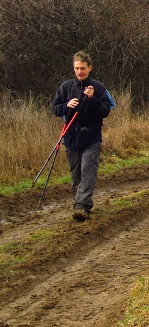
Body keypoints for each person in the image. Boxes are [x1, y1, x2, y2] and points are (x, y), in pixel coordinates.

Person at [51, 51, 112, 221]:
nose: (80, 71)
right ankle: (79, 203)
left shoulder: (98, 87)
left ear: (90, 68)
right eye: (77, 68)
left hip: (92, 137)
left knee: (88, 170)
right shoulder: (65, 87)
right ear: (73, 68)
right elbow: (55, 108)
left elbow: (105, 111)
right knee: (76, 174)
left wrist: (92, 99)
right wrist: (66, 106)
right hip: (71, 137)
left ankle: (82, 206)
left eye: (83, 68)